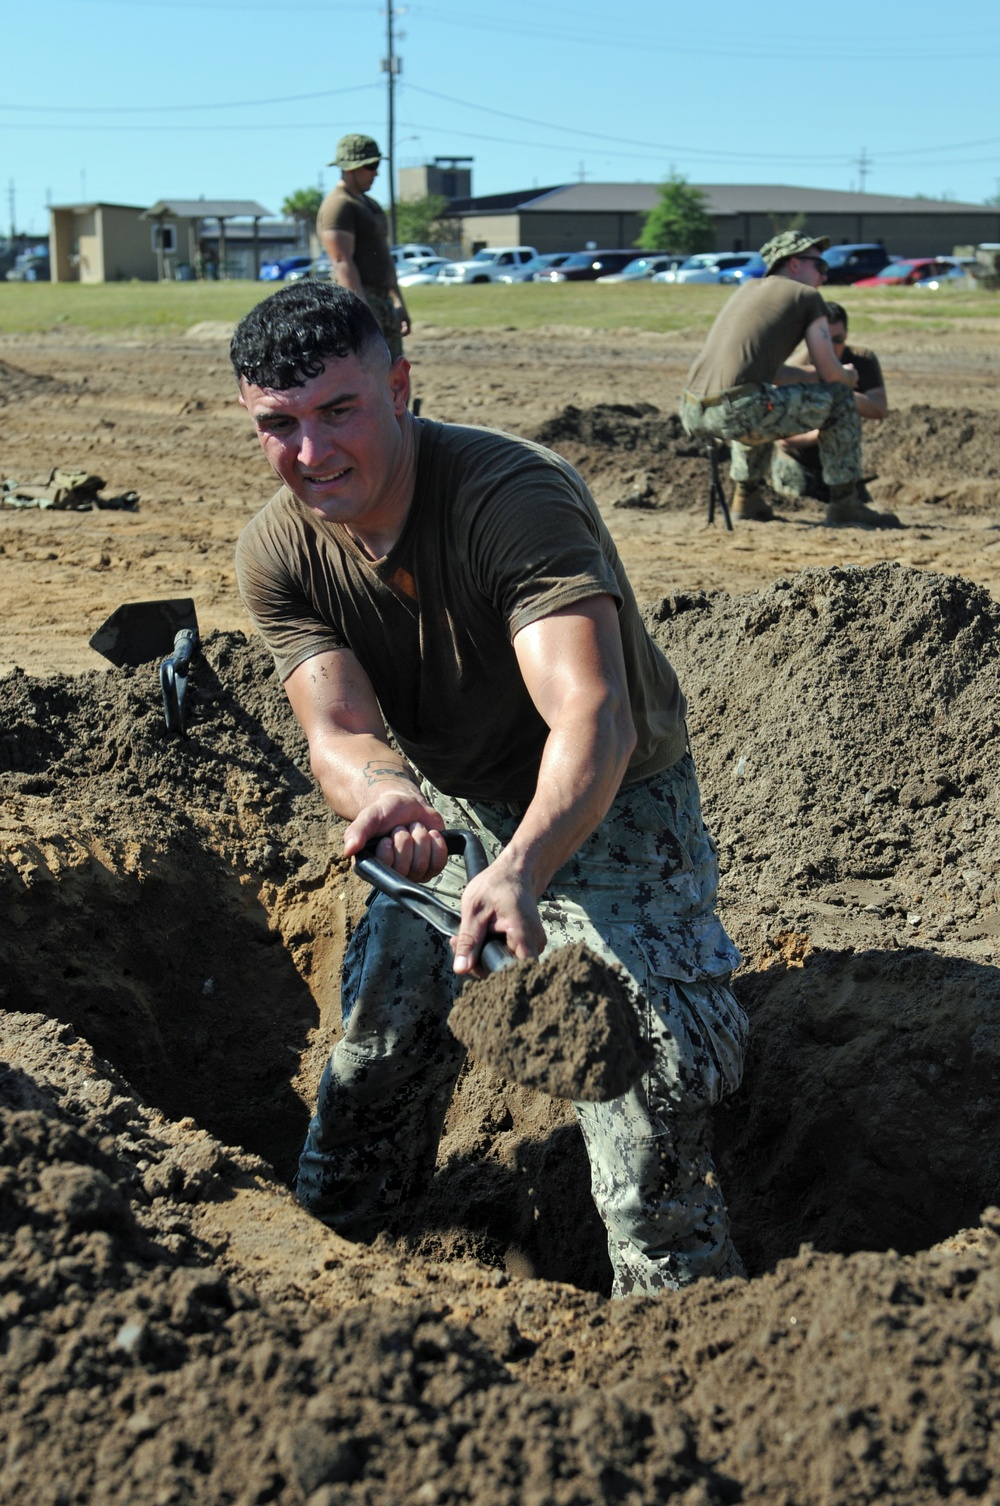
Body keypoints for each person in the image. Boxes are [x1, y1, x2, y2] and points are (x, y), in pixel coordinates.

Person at [232, 280, 749, 1298]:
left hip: (612, 805)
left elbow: (589, 718)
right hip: (457, 805)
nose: (311, 453)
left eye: (339, 411)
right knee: (382, 1035)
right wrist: (383, 793)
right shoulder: (278, 548)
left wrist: (520, 869)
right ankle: (333, 1261)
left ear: (401, 387)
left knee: (640, 1067)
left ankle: (681, 1309)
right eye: (278, 426)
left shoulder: (508, 496)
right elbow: (336, 727)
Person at [679, 231, 898, 528]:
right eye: (819, 266)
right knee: (840, 399)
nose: (824, 275)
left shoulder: (747, 290)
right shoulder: (806, 296)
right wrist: (847, 376)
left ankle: (747, 498)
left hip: (693, 408)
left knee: (759, 398)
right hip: (737, 409)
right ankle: (846, 503)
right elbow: (830, 374)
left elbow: (775, 374)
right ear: (794, 264)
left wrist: (809, 376)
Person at [770, 300, 888, 505]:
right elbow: (783, 438)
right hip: (800, 462)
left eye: (838, 339)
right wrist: (824, 433)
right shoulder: (793, 370)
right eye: (825, 340)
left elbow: (878, 408)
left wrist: (841, 392)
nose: (833, 347)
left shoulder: (862, 359)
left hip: (840, 462)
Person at [317, 133, 411, 361]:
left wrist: (398, 301)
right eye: (370, 166)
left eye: (377, 164)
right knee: (372, 374)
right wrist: (362, 313)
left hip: (381, 300)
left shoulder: (369, 205)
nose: (376, 172)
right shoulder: (338, 205)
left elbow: (385, 258)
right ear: (350, 168)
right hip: (363, 300)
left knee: (394, 373)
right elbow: (341, 262)